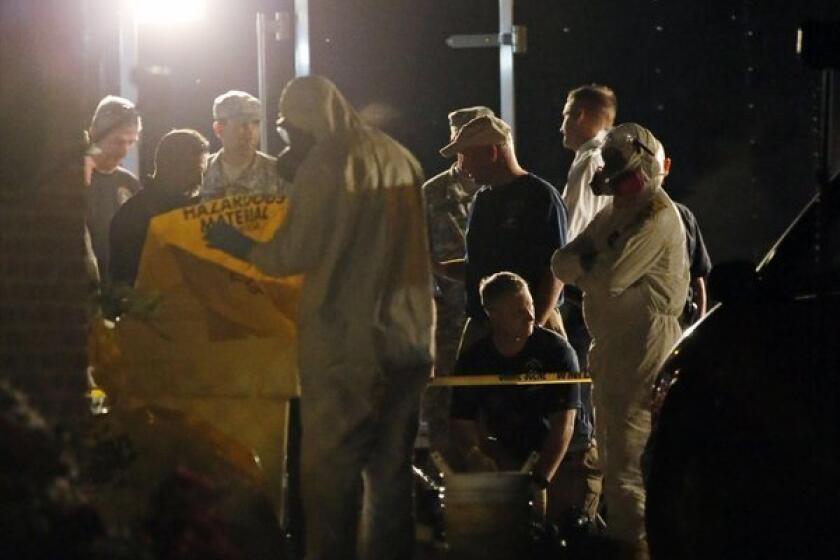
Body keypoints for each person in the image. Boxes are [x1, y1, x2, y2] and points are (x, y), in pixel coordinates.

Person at [204, 75, 434, 560]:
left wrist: (237, 243)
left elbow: (292, 252)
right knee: (391, 479)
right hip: (411, 340)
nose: (288, 139)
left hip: (348, 344)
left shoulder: (328, 162)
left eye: (289, 129)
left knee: (331, 478)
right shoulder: (399, 157)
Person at [551, 123, 688, 560]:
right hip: (610, 344)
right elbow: (561, 262)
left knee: (629, 456)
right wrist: (593, 268)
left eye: (627, 179)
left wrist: (589, 268)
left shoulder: (657, 216)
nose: (622, 188)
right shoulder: (616, 212)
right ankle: (623, 540)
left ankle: (636, 547)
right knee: (610, 452)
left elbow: (609, 276)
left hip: (645, 343)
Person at [449, 272, 599, 525]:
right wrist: (474, 455)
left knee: (567, 529)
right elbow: (461, 421)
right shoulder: (474, 359)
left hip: (568, 455)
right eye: (519, 311)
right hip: (511, 454)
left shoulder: (557, 352)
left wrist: (540, 480)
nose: (531, 316)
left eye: (530, 305)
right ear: (493, 315)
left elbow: (564, 426)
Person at [438, 115, 568, 353]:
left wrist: (533, 327)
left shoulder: (540, 196)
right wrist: (436, 267)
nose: (462, 167)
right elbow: (478, 267)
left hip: (528, 325)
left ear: (491, 152)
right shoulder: (483, 200)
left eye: (467, 156)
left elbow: (556, 269)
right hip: (483, 326)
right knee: (467, 389)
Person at [421, 105, 494, 455]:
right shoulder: (432, 194)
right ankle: (444, 492)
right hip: (446, 323)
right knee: (444, 412)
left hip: (494, 322)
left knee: (491, 411)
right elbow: (414, 259)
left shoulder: (503, 190)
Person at [109, 129, 208, 287]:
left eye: (202, 172)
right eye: (193, 171)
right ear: (168, 166)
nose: (199, 180)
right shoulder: (133, 218)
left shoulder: (196, 211)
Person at [86, 95, 142, 285]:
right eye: (118, 141)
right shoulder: (72, 182)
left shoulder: (130, 184)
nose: (125, 150)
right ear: (94, 134)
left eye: (131, 142)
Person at [560, 84, 617, 242]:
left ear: (579, 115)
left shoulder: (589, 161)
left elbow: (567, 232)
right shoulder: (609, 160)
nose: (561, 128)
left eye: (565, 116)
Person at [200, 90, 281, 198]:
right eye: (242, 124)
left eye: (256, 123)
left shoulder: (277, 173)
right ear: (219, 129)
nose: (250, 131)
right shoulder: (200, 174)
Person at [674, 202, 712, 325]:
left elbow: (697, 276)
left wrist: (700, 322)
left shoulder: (682, 215)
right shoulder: (620, 218)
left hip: (682, 320)